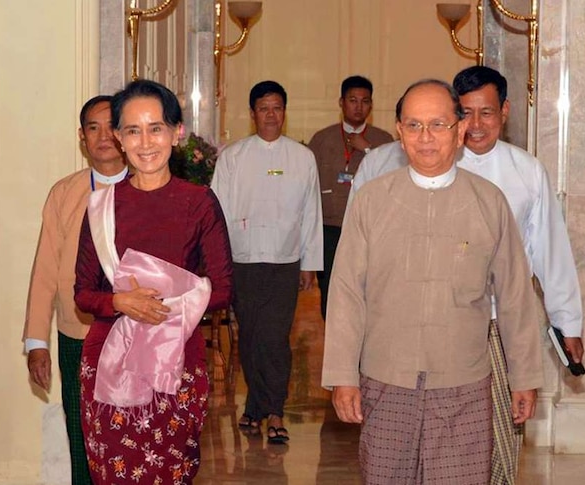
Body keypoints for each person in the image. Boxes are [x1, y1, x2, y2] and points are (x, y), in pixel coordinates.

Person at [322, 79, 543, 484]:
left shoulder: (488, 201)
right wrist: (342, 376)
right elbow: (347, 293)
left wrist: (524, 377)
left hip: (464, 385)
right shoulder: (372, 200)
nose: (426, 137)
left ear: (459, 132)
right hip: (386, 381)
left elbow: (515, 295)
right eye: (414, 125)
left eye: (438, 125)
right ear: (400, 133)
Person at [74, 80, 233, 484]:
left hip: (177, 363)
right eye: (132, 130)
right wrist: (121, 303)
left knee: (171, 473)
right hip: (108, 365)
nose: (145, 142)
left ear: (177, 132)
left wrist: (165, 302)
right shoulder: (101, 207)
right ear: (118, 138)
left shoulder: (199, 203)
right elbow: (84, 292)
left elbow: (223, 288)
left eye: (156, 128)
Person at [210, 80, 324, 445]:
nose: (271, 114)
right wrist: (218, 264)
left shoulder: (302, 157)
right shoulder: (234, 156)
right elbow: (217, 211)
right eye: (263, 108)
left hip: (284, 261)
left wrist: (310, 262)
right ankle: (255, 407)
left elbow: (311, 212)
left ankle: (273, 410)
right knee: (250, 338)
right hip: (242, 259)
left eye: (277, 107)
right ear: (252, 113)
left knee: (275, 338)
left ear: (284, 112)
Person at [22, 94, 127, 485]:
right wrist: (37, 342)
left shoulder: (147, 189)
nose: (103, 137)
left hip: (135, 337)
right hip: (77, 334)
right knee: (82, 434)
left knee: (128, 437)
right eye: (92, 128)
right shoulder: (64, 194)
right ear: (82, 138)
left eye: (110, 126)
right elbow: (45, 270)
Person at [454, 65, 584, 360]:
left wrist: (568, 323)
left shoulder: (528, 170)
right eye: (465, 112)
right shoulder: (437, 167)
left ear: (504, 111)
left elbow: (550, 252)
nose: (475, 124)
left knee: (510, 406)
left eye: (486, 112)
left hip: (506, 318)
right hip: (445, 320)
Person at [307, 75, 393, 320]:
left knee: (366, 292)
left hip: (369, 230)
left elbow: (395, 180)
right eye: (353, 100)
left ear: (371, 105)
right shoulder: (321, 139)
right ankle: (336, 348)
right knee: (330, 292)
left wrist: (367, 148)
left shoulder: (384, 141)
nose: (358, 106)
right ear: (341, 103)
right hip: (330, 229)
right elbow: (309, 187)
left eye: (365, 101)